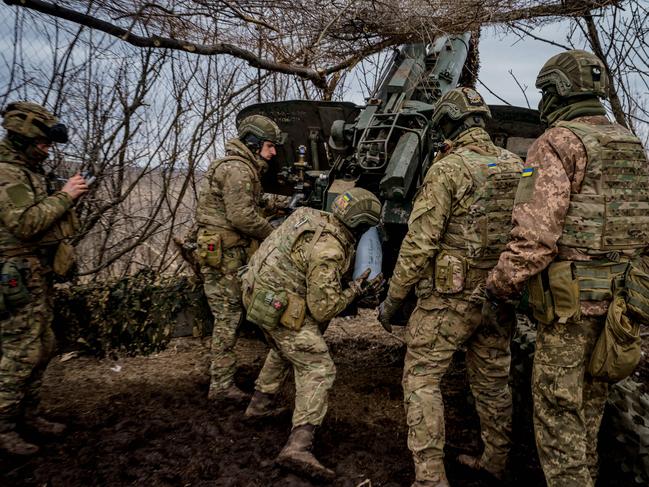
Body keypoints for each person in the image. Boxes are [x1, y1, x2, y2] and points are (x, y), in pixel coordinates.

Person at [486, 50, 649, 487]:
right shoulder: (631, 143)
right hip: (621, 308)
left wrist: (500, 285)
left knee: (559, 420)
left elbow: (535, 240)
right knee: (591, 409)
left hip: (570, 310)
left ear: (558, 91)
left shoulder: (557, 142)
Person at [378, 87, 524, 487]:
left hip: (449, 301)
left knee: (422, 379)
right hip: (498, 297)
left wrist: (393, 300)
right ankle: (495, 461)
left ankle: (429, 478)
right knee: (494, 381)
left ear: (447, 125)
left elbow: (419, 243)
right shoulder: (516, 165)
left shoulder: (448, 169)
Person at [241, 187, 384, 480]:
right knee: (318, 366)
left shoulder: (308, 216)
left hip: (256, 291)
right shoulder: (329, 249)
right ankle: (298, 446)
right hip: (277, 304)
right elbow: (323, 308)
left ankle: (259, 404)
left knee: (286, 346)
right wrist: (356, 290)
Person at [0, 101, 88, 455]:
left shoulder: (28, 171)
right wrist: (65, 197)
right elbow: (24, 223)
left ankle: (27, 414)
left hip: (35, 273)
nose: (47, 150)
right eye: (43, 144)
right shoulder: (7, 173)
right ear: (24, 138)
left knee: (43, 346)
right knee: (21, 351)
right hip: (15, 276)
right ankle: (4, 423)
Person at [194, 114, 283, 402]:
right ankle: (221, 385)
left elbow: (248, 202)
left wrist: (278, 205)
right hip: (226, 256)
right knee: (228, 316)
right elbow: (242, 216)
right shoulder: (238, 170)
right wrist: (273, 234)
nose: (273, 153)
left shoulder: (237, 168)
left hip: (227, 252)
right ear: (254, 143)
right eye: (269, 146)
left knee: (238, 312)